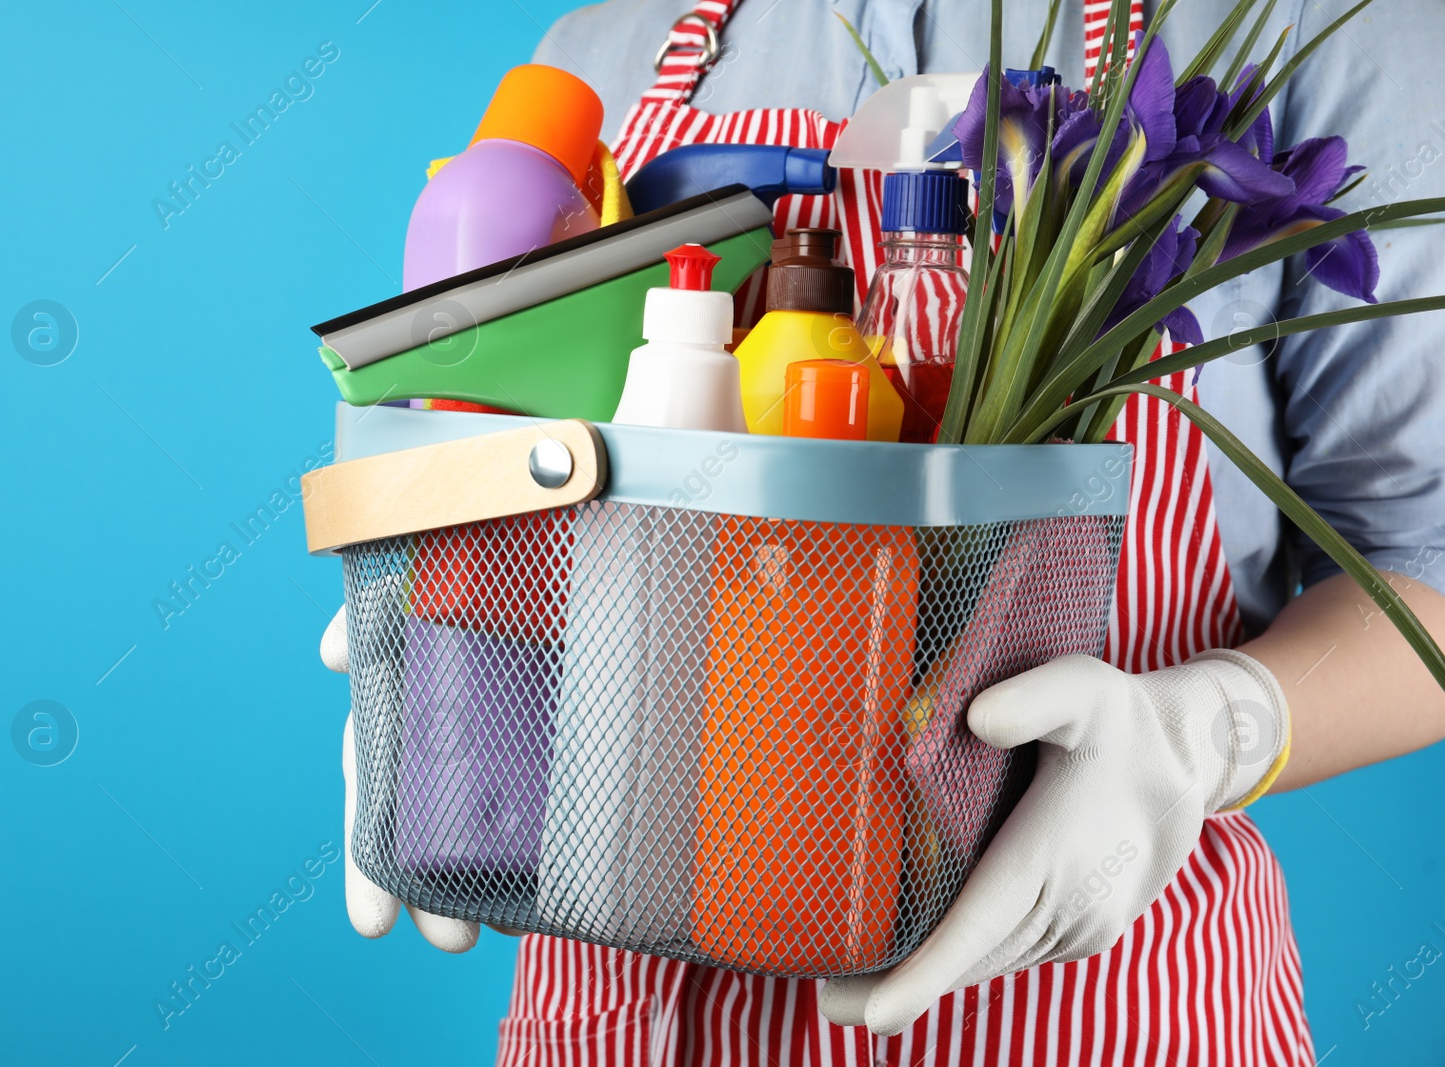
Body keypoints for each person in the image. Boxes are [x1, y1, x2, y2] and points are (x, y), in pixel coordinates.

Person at [321, 1, 1445, 1062]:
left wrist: (1209, 732)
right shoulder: (611, 49)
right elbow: (523, 476)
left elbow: (1427, 559)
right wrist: (446, 672)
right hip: (615, 1006)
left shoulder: (1312, 32)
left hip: (1085, 1005)